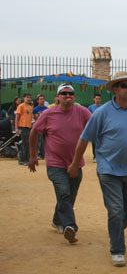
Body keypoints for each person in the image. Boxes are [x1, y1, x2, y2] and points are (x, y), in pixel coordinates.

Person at [68, 71, 127, 267]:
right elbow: (84, 139)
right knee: (115, 210)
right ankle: (117, 249)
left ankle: (114, 232)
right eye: (124, 85)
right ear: (115, 89)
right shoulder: (102, 112)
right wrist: (75, 163)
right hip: (108, 169)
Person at [28, 83, 91, 244]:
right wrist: (33, 155)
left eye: (70, 93)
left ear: (74, 97)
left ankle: (57, 220)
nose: (67, 96)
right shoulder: (48, 114)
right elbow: (34, 131)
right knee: (64, 193)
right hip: (55, 163)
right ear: (57, 97)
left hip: (76, 163)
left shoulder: (83, 112)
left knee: (69, 197)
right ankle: (69, 226)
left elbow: (96, 127)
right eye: (63, 93)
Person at [15, 93, 33, 165]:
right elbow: (17, 117)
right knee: (26, 143)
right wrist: (16, 128)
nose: (28, 98)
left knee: (26, 144)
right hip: (22, 127)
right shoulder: (21, 106)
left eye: (29, 97)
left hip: (28, 127)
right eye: (27, 97)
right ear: (24, 98)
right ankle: (26, 160)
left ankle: (21, 159)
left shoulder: (30, 107)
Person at [87, 94, 103, 162]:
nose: (98, 100)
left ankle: (101, 156)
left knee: (102, 142)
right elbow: (88, 117)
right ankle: (95, 156)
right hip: (94, 127)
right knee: (94, 142)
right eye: (96, 98)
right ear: (94, 99)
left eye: (99, 99)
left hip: (102, 127)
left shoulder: (103, 107)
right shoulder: (90, 107)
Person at [33, 94, 49, 159]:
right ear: (38, 101)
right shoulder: (35, 109)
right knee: (40, 142)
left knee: (48, 141)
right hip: (39, 128)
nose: (42, 100)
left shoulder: (47, 109)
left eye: (43, 99)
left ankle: (47, 154)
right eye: (41, 99)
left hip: (46, 127)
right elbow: (37, 119)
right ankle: (40, 155)